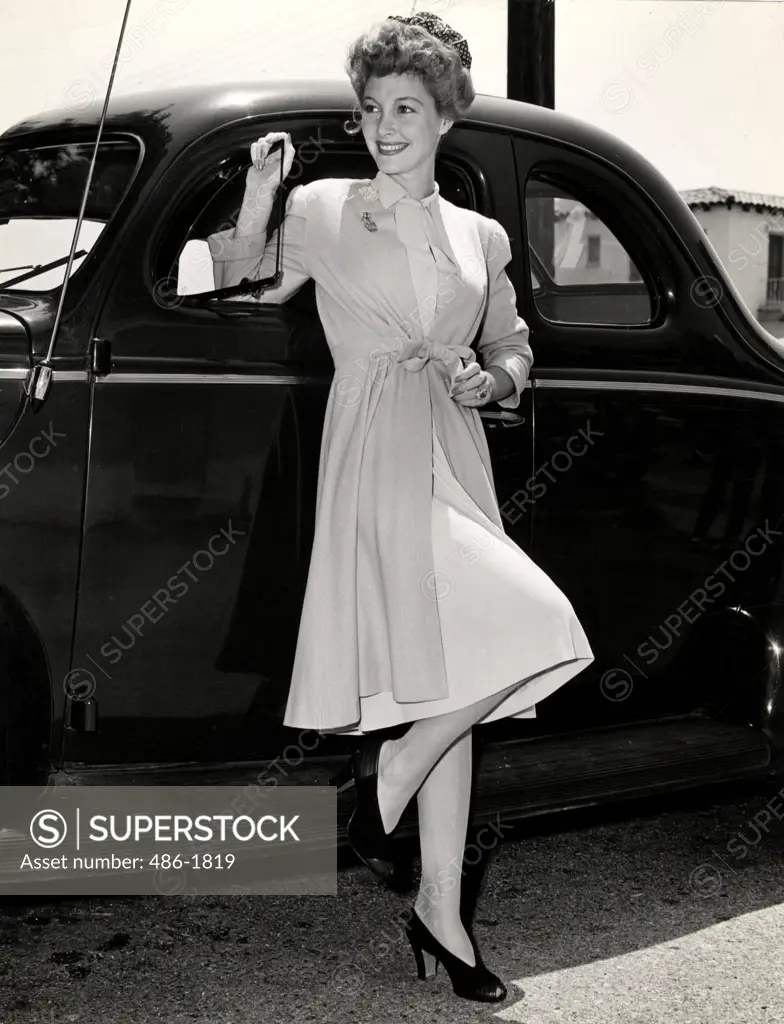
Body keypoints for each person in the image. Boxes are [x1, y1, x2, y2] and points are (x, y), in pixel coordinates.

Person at [208, 11, 594, 1004]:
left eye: (406, 108)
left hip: (453, 448)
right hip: (377, 452)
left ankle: (439, 915)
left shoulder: (479, 235)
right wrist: (257, 197)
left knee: (455, 698)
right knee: (545, 626)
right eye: (373, 107)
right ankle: (387, 773)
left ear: (444, 116)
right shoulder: (329, 209)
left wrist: (492, 381)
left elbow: (513, 345)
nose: (384, 124)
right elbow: (234, 274)